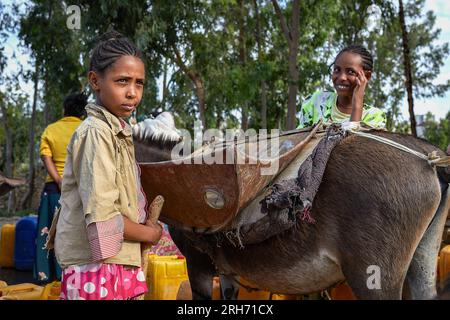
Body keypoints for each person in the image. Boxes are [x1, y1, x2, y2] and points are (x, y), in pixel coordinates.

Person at [52, 31, 162, 300]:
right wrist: (150, 232)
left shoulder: (119, 133)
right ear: (95, 81)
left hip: (119, 260)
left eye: (139, 83)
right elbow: (104, 213)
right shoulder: (96, 133)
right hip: (95, 265)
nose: (132, 93)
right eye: (122, 81)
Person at [34, 93, 87, 283]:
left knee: (47, 233)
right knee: (74, 234)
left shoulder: (51, 129)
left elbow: (45, 156)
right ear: (82, 112)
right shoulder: (85, 128)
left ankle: (46, 276)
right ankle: (74, 278)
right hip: (80, 190)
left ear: (64, 110)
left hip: (53, 190)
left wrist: (58, 179)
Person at [297, 44, 386, 129]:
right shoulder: (316, 102)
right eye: (337, 70)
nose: (342, 77)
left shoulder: (374, 117)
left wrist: (357, 103)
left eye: (351, 72)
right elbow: (299, 139)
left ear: (367, 76)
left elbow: (354, 143)